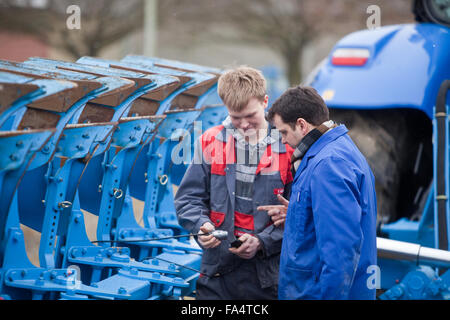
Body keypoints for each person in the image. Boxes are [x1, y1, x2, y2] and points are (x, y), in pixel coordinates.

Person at [174, 66, 294, 300]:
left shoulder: (288, 147)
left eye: (251, 116)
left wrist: (261, 241)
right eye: (236, 118)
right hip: (217, 271)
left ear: (265, 102)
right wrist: (201, 226)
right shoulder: (209, 141)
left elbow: (299, 213)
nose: (245, 124)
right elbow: (188, 198)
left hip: (268, 275)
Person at [261, 85, 377, 300]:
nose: (283, 140)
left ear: (302, 125)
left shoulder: (329, 164)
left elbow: (340, 252)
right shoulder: (333, 153)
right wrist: (299, 214)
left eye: (284, 132)